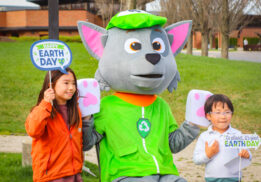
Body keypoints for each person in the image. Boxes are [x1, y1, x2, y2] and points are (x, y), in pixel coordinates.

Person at [25, 68, 84, 182]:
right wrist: (45, 104)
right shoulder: (42, 110)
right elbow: (33, 131)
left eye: (73, 83)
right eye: (66, 83)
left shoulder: (75, 110)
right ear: (51, 86)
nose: (71, 87)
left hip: (74, 174)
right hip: (51, 176)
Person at [193, 94, 252, 182]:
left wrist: (247, 155)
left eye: (227, 112)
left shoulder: (237, 134)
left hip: (234, 178)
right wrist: (208, 154)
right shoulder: (205, 136)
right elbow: (196, 160)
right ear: (208, 116)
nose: (223, 116)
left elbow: (248, 155)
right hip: (212, 179)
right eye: (217, 112)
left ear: (232, 114)